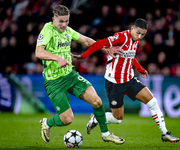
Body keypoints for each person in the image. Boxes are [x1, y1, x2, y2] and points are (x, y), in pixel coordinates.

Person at [72, 18, 180, 143]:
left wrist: (140, 69)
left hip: (129, 79)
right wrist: (84, 56)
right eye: (138, 32)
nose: (139, 36)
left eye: (143, 34)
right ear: (132, 28)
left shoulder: (135, 40)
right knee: (118, 118)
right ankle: (96, 118)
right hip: (114, 83)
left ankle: (165, 133)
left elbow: (130, 56)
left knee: (153, 102)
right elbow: (99, 43)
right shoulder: (121, 37)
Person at [35, 4, 125, 145]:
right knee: (67, 119)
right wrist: (58, 58)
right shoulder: (48, 30)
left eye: (66, 21)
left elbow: (86, 41)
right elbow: (39, 52)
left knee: (97, 101)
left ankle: (106, 134)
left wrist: (106, 49)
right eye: (61, 21)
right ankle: (47, 122)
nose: (64, 25)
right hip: (54, 82)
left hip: (70, 76)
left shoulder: (68, 31)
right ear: (54, 19)